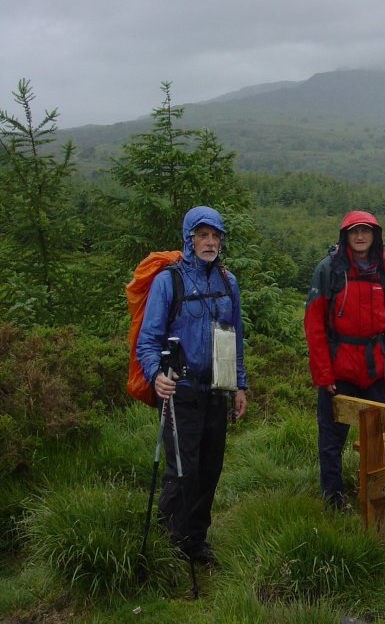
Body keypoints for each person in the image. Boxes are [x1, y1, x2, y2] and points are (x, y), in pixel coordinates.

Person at [136, 206, 248, 564]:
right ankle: (170, 543)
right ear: (189, 238)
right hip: (180, 389)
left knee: (210, 468)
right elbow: (148, 338)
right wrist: (156, 374)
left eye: (215, 236)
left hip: (216, 388)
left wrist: (239, 386)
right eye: (203, 235)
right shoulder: (169, 281)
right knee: (183, 470)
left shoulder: (228, 282)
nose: (210, 242)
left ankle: (196, 541)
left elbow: (236, 337)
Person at [303, 210, 385, 510]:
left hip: (375, 367)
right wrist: (323, 375)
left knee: (379, 436)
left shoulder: (383, 269)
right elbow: (314, 324)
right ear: (345, 235)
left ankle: (378, 492)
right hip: (339, 368)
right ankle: (333, 497)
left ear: (374, 235)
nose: (360, 236)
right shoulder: (329, 269)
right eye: (354, 231)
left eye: (366, 231)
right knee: (332, 439)